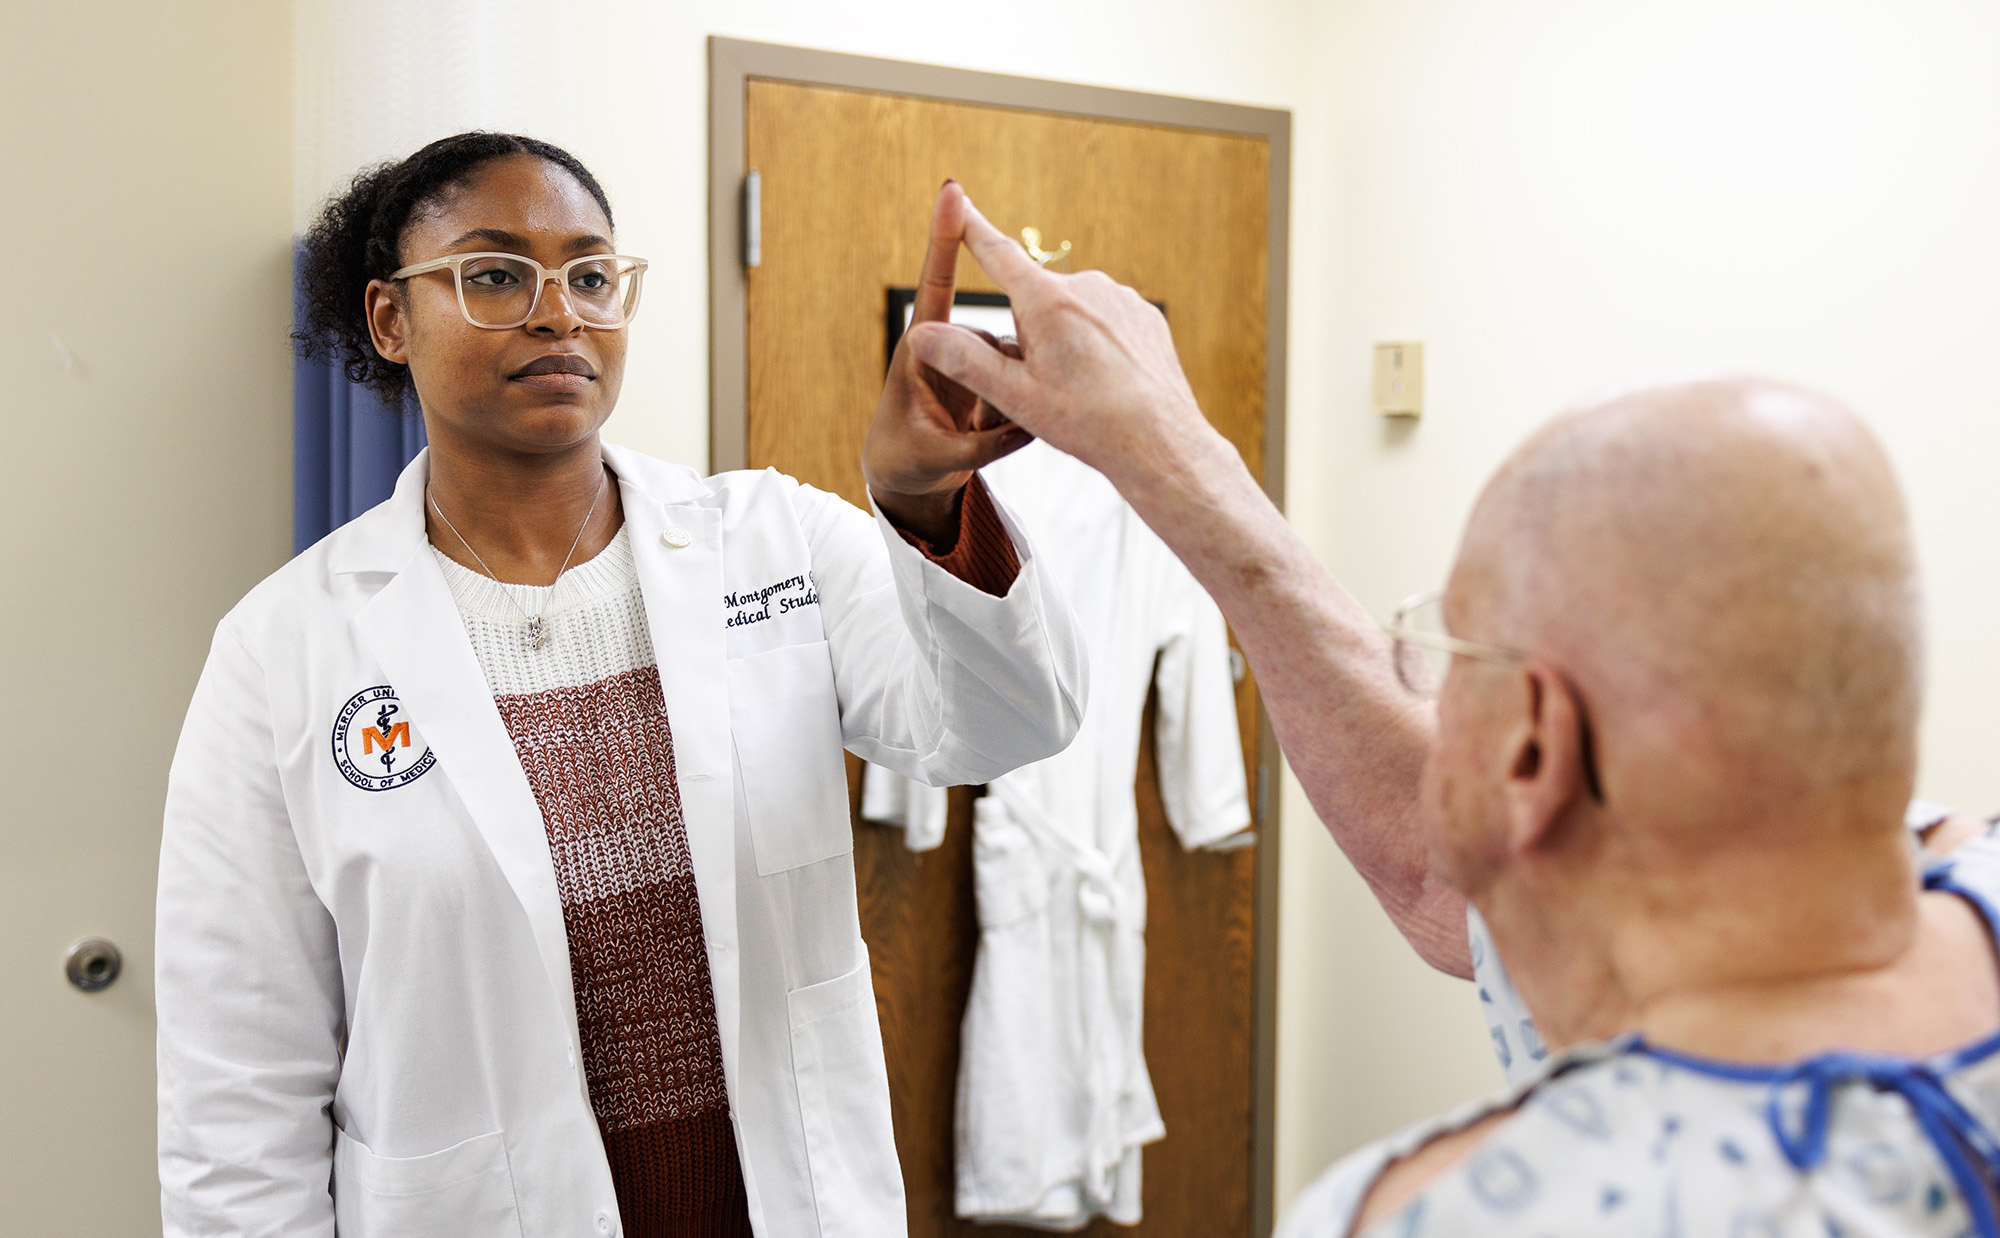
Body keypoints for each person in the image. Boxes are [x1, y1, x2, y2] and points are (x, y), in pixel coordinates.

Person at [910, 199, 2000, 1230]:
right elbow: (1437, 872)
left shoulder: (1451, 1210)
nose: (1421, 680)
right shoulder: (1931, 880)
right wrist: (1175, 457)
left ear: (1534, 747)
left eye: (1446, 647)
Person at [155, 137, 1085, 1238]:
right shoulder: (281, 650)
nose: (560, 313)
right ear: (390, 319)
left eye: (590, 274)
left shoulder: (769, 539)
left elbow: (1002, 724)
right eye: (495, 274)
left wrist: (924, 503)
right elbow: (238, 1093)